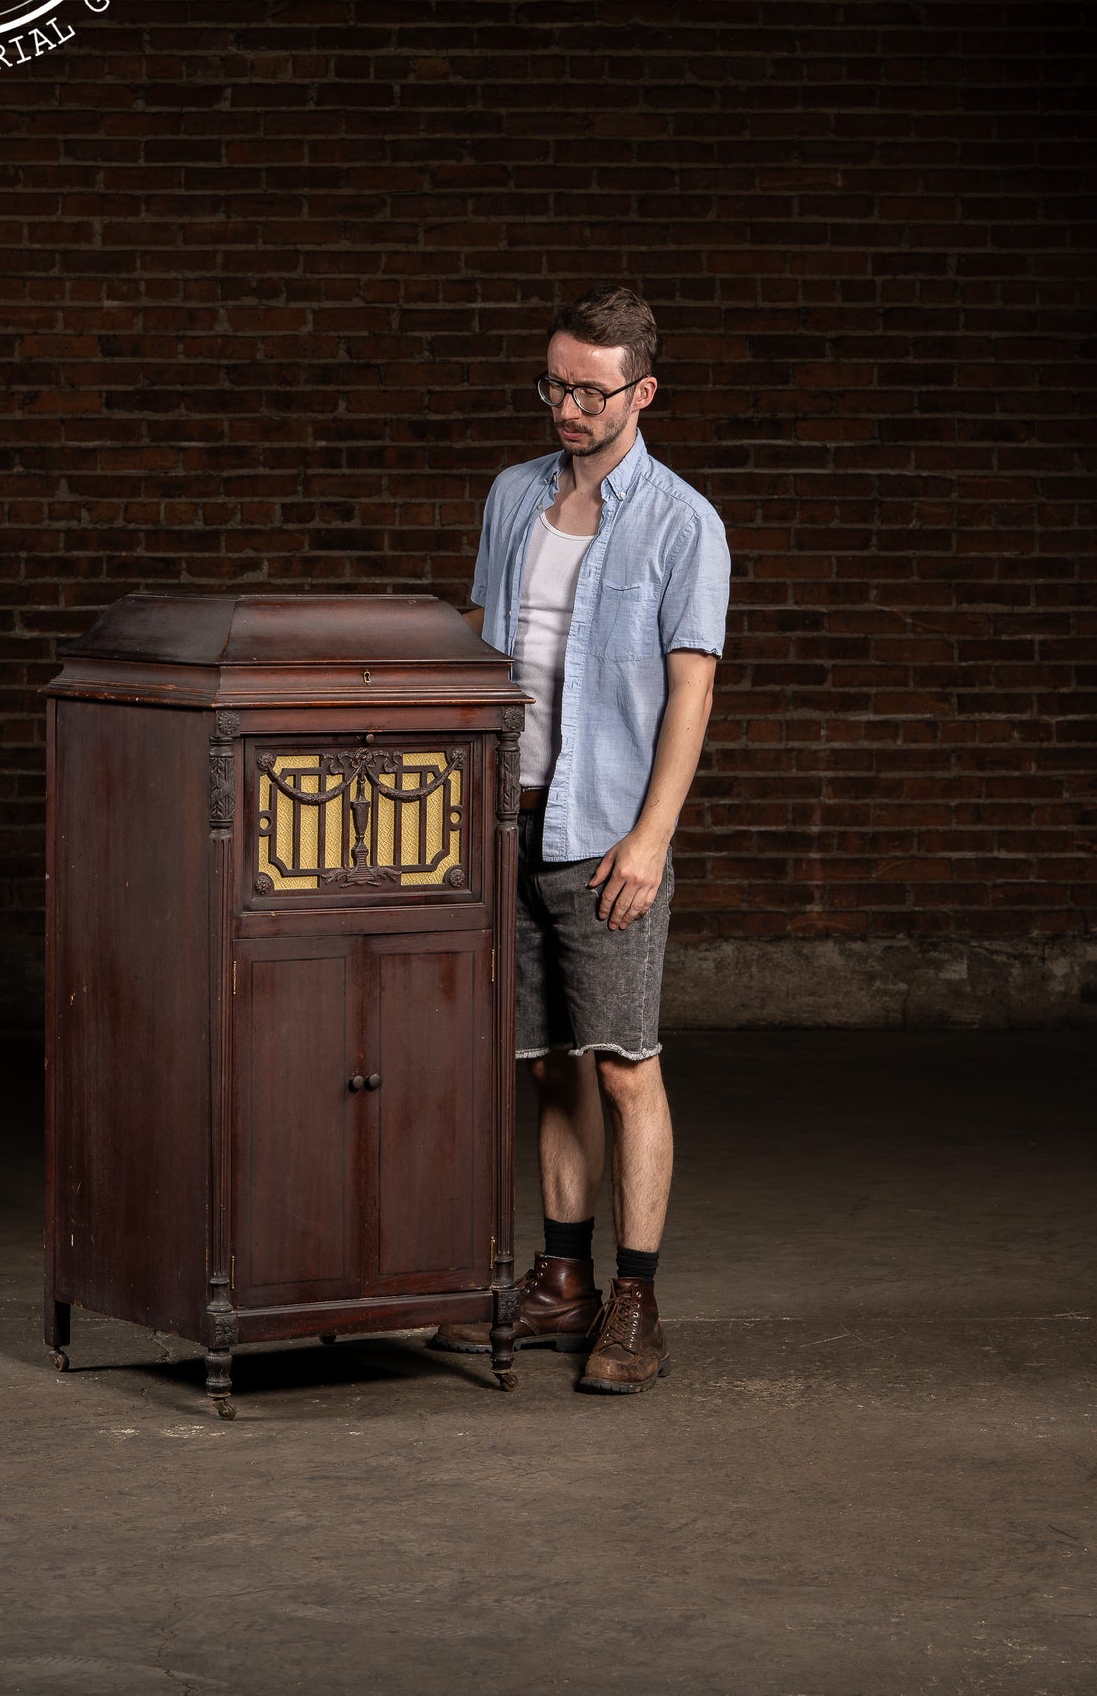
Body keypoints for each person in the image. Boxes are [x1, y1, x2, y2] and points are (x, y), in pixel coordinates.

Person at [431, 285, 730, 1394]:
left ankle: (634, 1299)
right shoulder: (512, 495)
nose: (566, 407)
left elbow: (690, 691)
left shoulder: (681, 522)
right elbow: (478, 650)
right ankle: (561, 1284)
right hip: (506, 820)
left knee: (623, 1068)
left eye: (589, 391)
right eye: (553, 384)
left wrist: (651, 837)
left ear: (639, 392)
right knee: (546, 1064)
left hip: (606, 832)